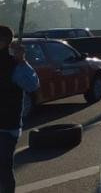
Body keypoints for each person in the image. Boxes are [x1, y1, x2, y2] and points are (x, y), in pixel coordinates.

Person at [1, 25, 40, 193]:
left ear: (4, 42)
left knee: (2, 168)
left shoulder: (15, 65)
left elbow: (32, 85)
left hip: (6, 127)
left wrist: (22, 61)